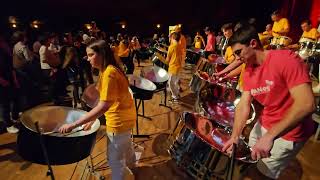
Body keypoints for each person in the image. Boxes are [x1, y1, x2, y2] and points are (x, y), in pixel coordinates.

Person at [222, 25, 315, 179]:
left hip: (289, 133)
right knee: (248, 165)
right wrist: (235, 136)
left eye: (239, 53)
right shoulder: (248, 71)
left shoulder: (286, 59)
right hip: (265, 124)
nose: (238, 59)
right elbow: (243, 105)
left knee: (261, 175)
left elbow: (307, 104)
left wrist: (269, 136)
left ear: (253, 43)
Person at [59, 40, 136, 180]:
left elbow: (104, 105)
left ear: (102, 54)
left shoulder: (109, 73)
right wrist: (94, 117)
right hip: (126, 117)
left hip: (119, 122)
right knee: (126, 145)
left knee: (114, 160)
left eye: (90, 55)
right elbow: (105, 100)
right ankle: (133, 167)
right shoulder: (108, 69)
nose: (87, 59)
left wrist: (73, 124)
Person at [0, 34, 20, 133]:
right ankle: (8, 124)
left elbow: (10, 66)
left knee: (15, 98)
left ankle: (14, 117)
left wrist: (15, 79)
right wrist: (1, 80)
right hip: (2, 80)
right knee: (5, 103)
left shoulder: (5, 48)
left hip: (9, 77)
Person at [166, 32, 183, 102]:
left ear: (173, 38)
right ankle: (177, 94)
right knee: (175, 82)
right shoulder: (179, 45)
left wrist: (165, 62)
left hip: (173, 67)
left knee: (171, 83)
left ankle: (175, 97)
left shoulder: (171, 47)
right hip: (178, 67)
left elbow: (168, 59)